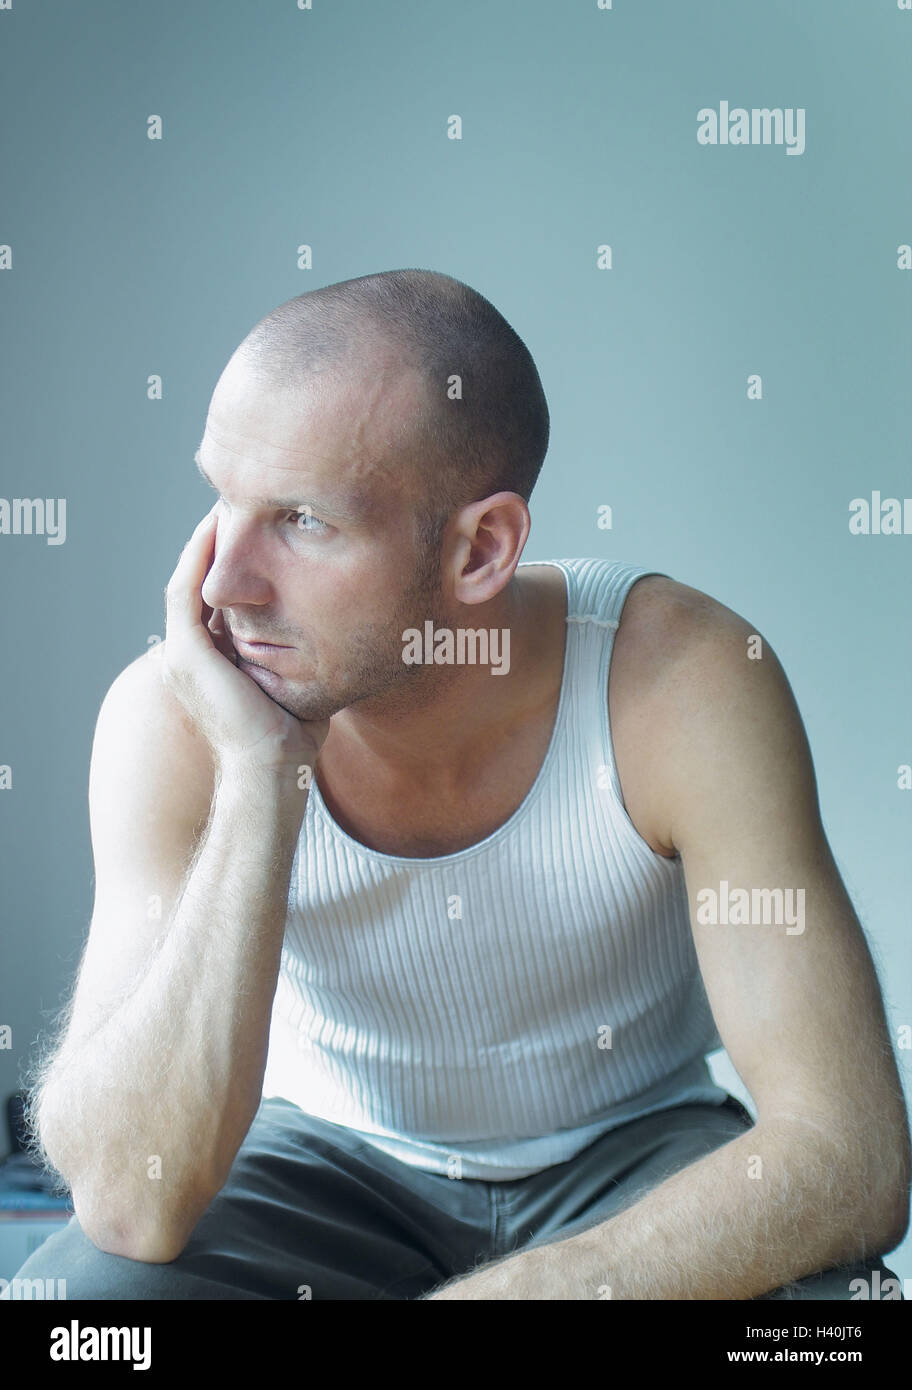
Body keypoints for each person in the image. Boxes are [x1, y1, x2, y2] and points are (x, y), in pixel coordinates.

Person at [6, 269, 909, 1300]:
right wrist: (263, 773)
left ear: (481, 548)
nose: (222, 584)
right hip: (322, 1166)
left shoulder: (681, 681)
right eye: (225, 499)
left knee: (836, 1324)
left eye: (300, 521)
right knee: (81, 1307)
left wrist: (520, 1298)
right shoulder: (174, 715)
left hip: (635, 1159)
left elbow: (851, 1153)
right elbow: (130, 1201)